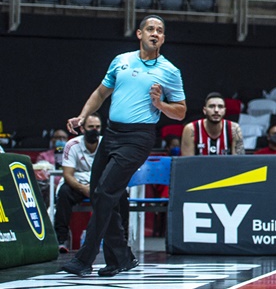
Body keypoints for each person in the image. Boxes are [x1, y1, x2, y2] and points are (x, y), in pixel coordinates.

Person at [61, 15, 186, 278]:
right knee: (99, 193)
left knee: (106, 192)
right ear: (139, 34)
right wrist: (83, 116)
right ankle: (121, 257)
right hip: (112, 133)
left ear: (163, 38)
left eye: (160, 31)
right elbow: (100, 93)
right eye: (150, 29)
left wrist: (160, 105)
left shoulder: (169, 71)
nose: (155, 33)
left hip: (138, 138)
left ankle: (85, 258)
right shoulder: (121, 60)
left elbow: (181, 112)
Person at [54, 114, 103, 252]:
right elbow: (68, 175)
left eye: (97, 127)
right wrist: (83, 188)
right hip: (78, 185)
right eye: (91, 127)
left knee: (119, 195)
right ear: (82, 129)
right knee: (64, 193)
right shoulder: (72, 145)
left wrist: (95, 187)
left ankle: (119, 241)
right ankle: (61, 240)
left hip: (99, 185)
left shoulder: (106, 144)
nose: (94, 130)